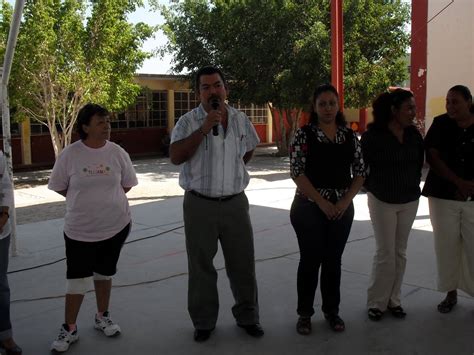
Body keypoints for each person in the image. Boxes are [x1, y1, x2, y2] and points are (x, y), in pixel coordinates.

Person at [169, 66, 263, 342]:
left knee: (243, 264)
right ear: (198, 93)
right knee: (201, 266)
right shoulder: (188, 122)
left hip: (235, 204)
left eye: (217, 85)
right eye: (206, 87)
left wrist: (233, 175)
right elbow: (176, 156)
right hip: (200, 205)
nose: (213, 91)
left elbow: (248, 150)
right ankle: (204, 322)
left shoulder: (240, 119)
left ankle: (248, 316)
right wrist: (203, 129)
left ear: (226, 89)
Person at [48, 103, 138, 353]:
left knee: (104, 273)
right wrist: (84, 201)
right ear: (85, 126)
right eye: (100, 122)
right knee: (76, 281)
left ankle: (102, 316)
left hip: (115, 226)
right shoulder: (70, 154)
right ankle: (69, 328)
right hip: (80, 230)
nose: (107, 126)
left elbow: (127, 184)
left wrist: (105, 201)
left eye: (108, 121)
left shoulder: (117, 152)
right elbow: (58, 185)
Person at [289, 84, 366, 335]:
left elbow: (361, 172)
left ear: (338, 105)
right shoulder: (304, 134)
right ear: (314, 107)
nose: (328, 108)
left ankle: (332, 312)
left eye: (332, 103)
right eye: (322, 104)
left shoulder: (349, 135)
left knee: (333, 261)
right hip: (308, 208)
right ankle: (304, 314)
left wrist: (343, 203)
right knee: (310, 261)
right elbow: (297, 172)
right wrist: (322, 202)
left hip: (342, 210)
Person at [361, 89, 424, 321]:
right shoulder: (373, 137)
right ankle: (377, 302)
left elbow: (419, 163)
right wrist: (373, 187)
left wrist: (411, 185)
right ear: (393, 110)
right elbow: (360, 168)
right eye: (409, 108)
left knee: (400, 252)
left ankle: (394, 300)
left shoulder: (414, 135)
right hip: (382, 201)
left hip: (409, 200)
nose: (413, 112)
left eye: (414, 108)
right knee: (385, 253)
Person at [422, 85, 474, 313]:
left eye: (456, 102)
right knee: (446, 247)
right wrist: (458, 182)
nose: (450, 106)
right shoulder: (441, 123)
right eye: (448, 101)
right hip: (443, 196)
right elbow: (432, 157)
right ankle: (450, 293)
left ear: (469, 102)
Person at [0, 152, 22, 355]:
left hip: (0, 231)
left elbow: (5, 185)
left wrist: (4, 213)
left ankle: (5, 336)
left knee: (1, 287)